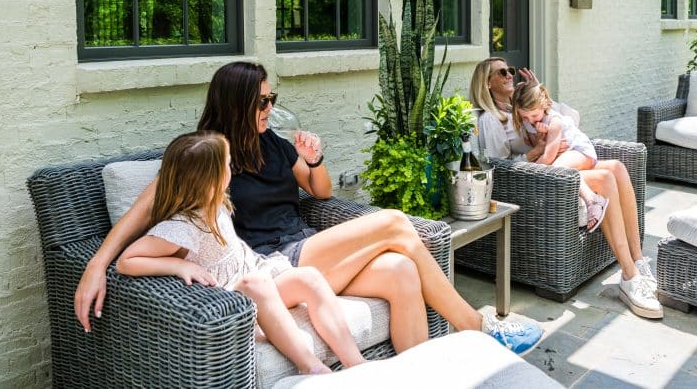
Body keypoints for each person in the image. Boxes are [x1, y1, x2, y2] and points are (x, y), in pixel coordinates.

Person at [75, 61, 543, 355]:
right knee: (397, 224)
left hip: (307, 245)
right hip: (276, 259)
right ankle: (477, 326)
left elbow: (318, 191)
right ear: (238, 103)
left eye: (272, 98)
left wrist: (315, 158)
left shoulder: (272, 142)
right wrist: (98, 264)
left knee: (401, 269)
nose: (271, 106)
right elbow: (148, 203)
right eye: (263, 100)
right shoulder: (213, 152)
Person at [116, 131, 366, 375]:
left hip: (257, 276)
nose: (232, 169)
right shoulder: (182, 227)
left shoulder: (217, 204)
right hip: (230, 301)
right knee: (256, 283)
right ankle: (310, 366)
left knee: (308, 277)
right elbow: (127, 261)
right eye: (227, 165)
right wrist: (179, 266)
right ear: (210, 178)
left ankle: (356, 364)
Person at [468, 57, 663, 320]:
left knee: (617, 166)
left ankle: (638, 260)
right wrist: (538, 150)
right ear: (487, 83)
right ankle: (629, 276)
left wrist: (542, 95)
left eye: (510, 70)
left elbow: (571, 120)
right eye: (501, 73)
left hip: (557, 165)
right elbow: (497, 165)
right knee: (605, 177)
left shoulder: (522, 103)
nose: (509, 75)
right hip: (538, 178)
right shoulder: (491, 119)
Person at [510, 81, 609, 232]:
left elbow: (548, 158)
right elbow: (539, 148)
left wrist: (527, 170)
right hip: (566, 155)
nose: (530, 120)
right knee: (559, 169)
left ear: (544, 105)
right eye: (524, 117)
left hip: (580, 151)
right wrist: (540, 135)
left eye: (534, 115)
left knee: (557, 169)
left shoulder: (554, 121)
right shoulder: (529, 124)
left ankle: (593, 200)